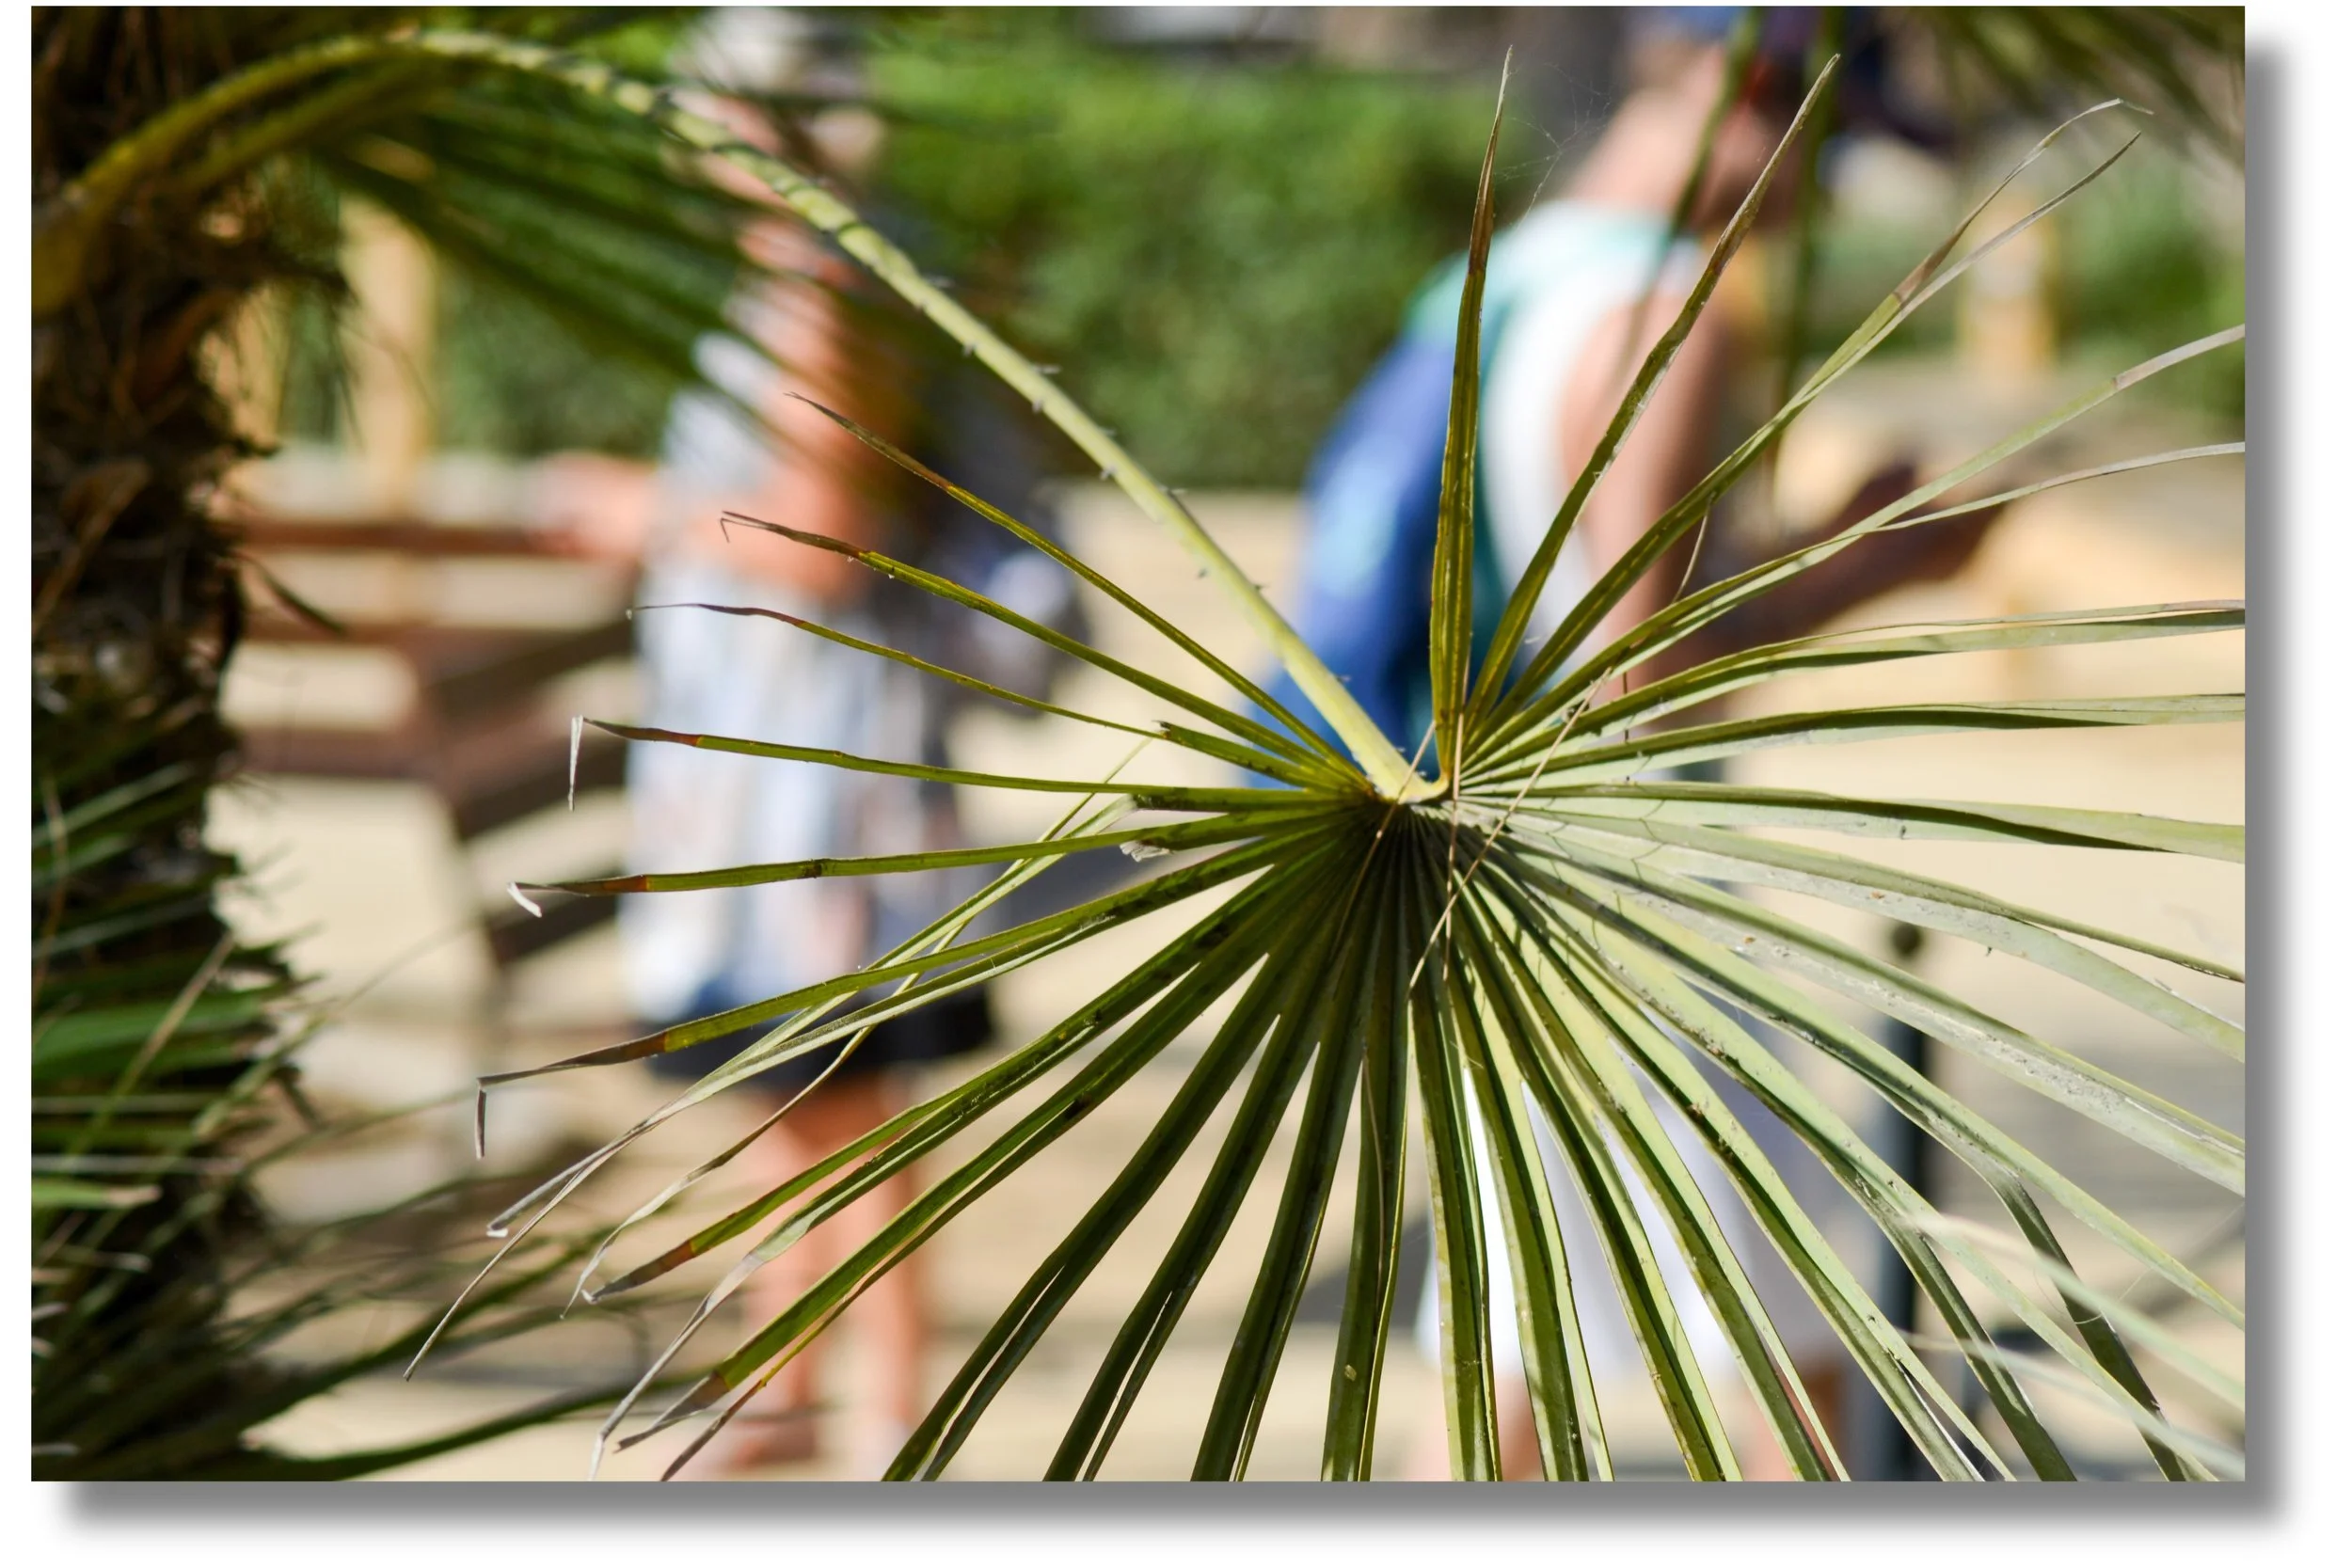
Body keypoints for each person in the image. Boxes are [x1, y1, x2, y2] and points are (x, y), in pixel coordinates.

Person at [1260, 10, 1996, 1481]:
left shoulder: (1511, 271)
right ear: (1755, 98)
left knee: (1500, 1369)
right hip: (1636, 899)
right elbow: (1638, 663)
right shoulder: (1669, 301)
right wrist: (1883, 559)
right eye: (1830, 144)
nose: (1823, 191)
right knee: (1794, 1359)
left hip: (1493, 872)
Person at [534, 12, 1072, 1478]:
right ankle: (798, 1392)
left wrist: (632, 510)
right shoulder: (848, 260)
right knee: (812, 1104)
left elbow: (825, 534)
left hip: (816, 779)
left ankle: (886, 1421)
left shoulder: (826, 275)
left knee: (840, 1104)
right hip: (814, 764)